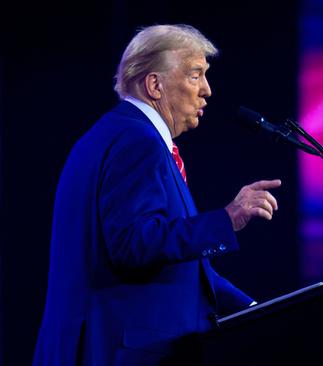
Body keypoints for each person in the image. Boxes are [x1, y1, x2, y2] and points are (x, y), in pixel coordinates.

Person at [32, 24, 281, 365]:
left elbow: (177, 267)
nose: (207, 90)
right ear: (154, 85)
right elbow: (133, 243)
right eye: (195, 75)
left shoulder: (117, 134)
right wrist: (228, 218)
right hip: (121, 352)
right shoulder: (138, 142)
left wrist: (258, 311)